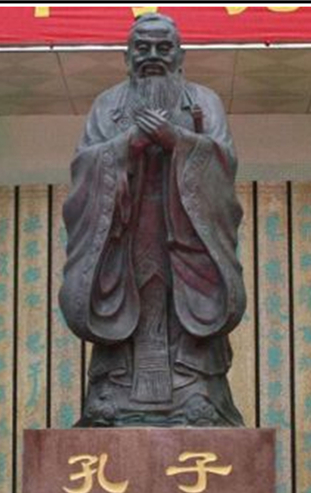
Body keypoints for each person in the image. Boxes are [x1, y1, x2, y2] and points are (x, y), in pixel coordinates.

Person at [59, 13, 246, 427]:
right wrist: (130, 142)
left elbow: (223, 164)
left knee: (187, 314)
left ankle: (195, 391)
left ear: (180, 55)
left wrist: (176, 140)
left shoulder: (203, 102)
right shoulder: (108, 105)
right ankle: (113, 393)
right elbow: (84, 168)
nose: (153, 56)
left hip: (187, 235)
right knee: (126, 307)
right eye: (142, 48)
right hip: (125, 234)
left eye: (164, 47)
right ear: (127, 56)